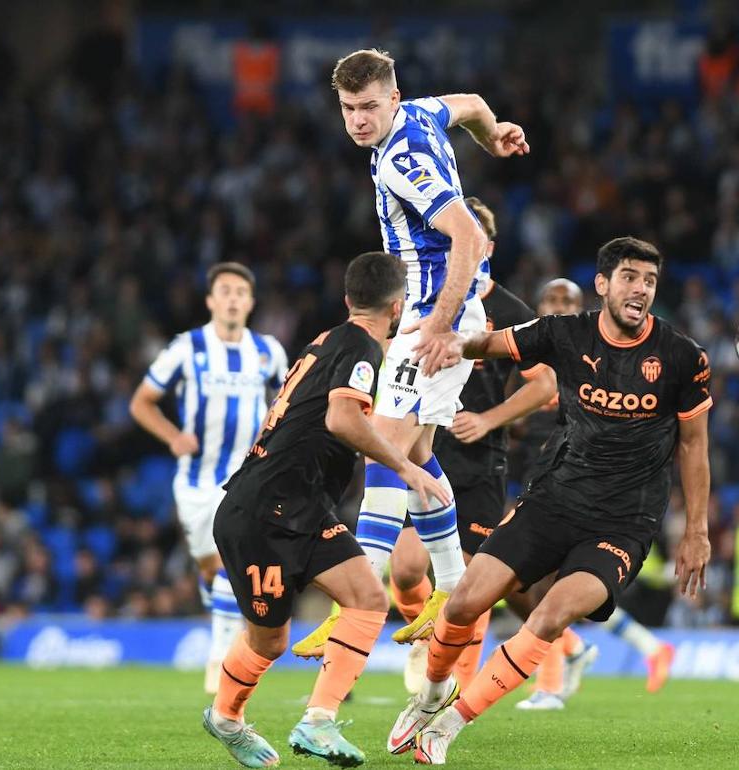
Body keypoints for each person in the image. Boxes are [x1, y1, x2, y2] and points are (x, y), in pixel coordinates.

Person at [389, 237, 713, 764]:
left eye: (650, 281)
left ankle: (450, 723)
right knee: (468, 600)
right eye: (630, 277)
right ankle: (428, 698)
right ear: (603, 285)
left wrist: (696, 530)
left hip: (624, 520)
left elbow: (695, 446)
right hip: (556, 498)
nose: (641, 289)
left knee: (551, 614)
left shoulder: (682, 358)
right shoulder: (565, 332)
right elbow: (493, 343)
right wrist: (449, 342)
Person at [294, 49, 531, 653]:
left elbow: (469, 235)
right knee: (420, 454)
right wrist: (494, 134)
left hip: (429, 317)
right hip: (427, 315)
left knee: (382, 451)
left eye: (369, 107)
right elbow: (474, 104)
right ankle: (452, 591)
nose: (358, 121)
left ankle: (357, 604)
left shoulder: (403, 158)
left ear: (391, 100)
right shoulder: (421, 114)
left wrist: (442, 325)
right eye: (348, 109)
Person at [201, 252, 450, 768]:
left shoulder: (330, 339)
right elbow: (341, 418)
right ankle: (226, 717)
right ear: (399, 305)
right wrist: (405, 467)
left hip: (299, 505)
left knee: (365, 597)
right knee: (269, 642)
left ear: (348, 300)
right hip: (263, 512)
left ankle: (318, 722)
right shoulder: (359, 347)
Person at [387, 197, 556, 694]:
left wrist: (487, 419)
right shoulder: (424, 301)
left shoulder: (508, 311)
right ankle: (429, 637)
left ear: (488, 246)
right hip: (426, 449)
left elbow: (544, 384)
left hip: (480, 460)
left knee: (468, 581)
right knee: (405, 569)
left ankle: (450, 689)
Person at [513, 278, 677, 710]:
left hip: (587, 490)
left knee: (555, 588)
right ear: (539, 305)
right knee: (534, 587)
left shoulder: (591, 356)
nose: (560, 305)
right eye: (552, 298)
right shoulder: (525, 357)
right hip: (541, 480)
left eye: (569, 300)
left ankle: (551, 680)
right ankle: (588, 650)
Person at [129, 262, 288, 693]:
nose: (234, 297)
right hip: (197, 482)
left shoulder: (269, 351)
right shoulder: (187, 347)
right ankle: (218, 613)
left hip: (246, 479)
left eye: (241, 291)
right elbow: (142, 402)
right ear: (211, 301)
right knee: (208, 568)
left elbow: (284, 402)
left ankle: (219, 658)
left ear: (251, 302)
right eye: (225, 290)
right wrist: (173, 436)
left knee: (226, 564)